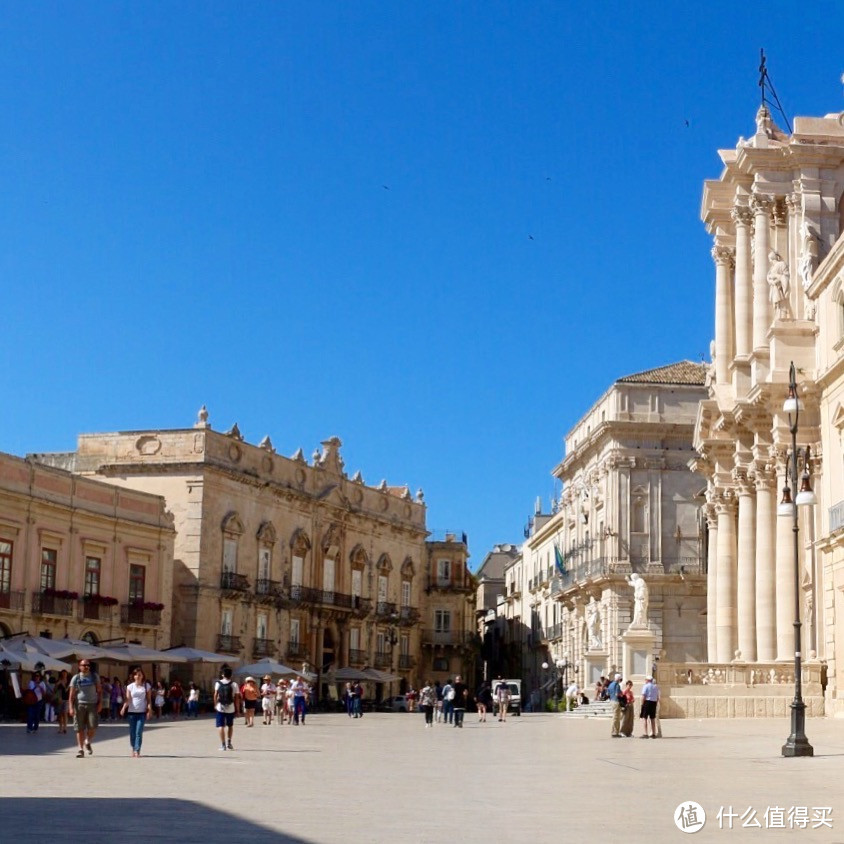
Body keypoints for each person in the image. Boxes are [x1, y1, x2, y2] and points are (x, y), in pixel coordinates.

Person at [68, 659, 101, 758]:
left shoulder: (94, 677)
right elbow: (71, 695)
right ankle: (80, 749)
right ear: (79, 666)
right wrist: (70, 707)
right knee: (79, 728)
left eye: (88, 665)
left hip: (92, 704)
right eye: (84, 665)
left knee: (93, 727)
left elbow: (99, 691)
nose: (86, 667)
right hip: (79, 705)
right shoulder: (76, 678)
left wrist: (100, 704)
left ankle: (87, 740)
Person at [121, 667, 152, 757]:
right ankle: (133, 748)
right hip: (131, 713)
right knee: (132, 732)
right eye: (136, 675)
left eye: (139, 675)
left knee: (138, 732)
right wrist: (123, 708)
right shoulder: (130, 687)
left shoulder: (146, 686)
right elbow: (128, 699)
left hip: (141, 713)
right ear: (133, 676)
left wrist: (149, 710)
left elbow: (149, 700)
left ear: (142, 676)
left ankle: (137, 750)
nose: (138, 676)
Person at [214, 665, 241, 751]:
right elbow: (237, 698)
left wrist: (215, 704)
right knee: (230, 725)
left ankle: (223, 745)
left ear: (223, 674)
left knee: (221, 726)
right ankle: (229, 742)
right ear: (231, 675)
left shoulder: (218, 683)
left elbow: (215, 695)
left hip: (220, 707)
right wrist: (238, 709)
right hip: (231, 707)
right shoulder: (234, 684)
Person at [54, 669, 70, 734]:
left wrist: (63, 684)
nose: (64, 674)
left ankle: (65, 728)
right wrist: (57, 684)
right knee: (60, 715)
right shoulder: (58, 681)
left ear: (67, 674)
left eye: (65, 673)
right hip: (60, 699)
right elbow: (54, 690)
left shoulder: (69, 681)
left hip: (67, 699)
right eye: (63, 673)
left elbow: (67, 690)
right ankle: (60, 728)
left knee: (65, 713)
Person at [607, 673, 623, 738]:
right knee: (616, 717)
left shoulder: (610, 684)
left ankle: (615, 732)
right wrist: (621, 694)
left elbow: (607, 693)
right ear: (619, 679)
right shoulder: (617, 685)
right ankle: (615, 732)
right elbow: (617, 694)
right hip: (616, 701)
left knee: (615, 716)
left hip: (611, 701)